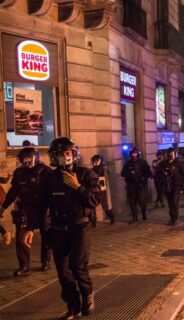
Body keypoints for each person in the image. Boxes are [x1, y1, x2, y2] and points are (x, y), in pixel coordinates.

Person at [25, 137, 100, 319]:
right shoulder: (50, 178)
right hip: (58, 228)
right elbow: (40, 204)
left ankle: (87, 294)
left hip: (80, 226)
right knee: (63, 271)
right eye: (57, 154)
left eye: (64, 153)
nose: (60, 158)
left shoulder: (86, 175)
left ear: (72, 154)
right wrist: (30, 227)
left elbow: (95, 200)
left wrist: (77, 187)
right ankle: (72, 306)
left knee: (77, 265)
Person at [0, 147, 51, 276]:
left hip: (42, 208)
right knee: (21, 237)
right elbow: (13, 191)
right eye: (24, 160)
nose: (26, 163)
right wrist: (4, 206)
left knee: (46, 235)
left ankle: (46, 261)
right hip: (24, 209)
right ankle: (24, 266)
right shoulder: (19, 172)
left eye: (29, 160)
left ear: (36, 158)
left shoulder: (45, 171)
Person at [121, 147, 153, 224]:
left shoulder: (143, 162)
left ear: (138, 155)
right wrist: (130, 175)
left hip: (141, 185)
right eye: (132, 155)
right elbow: (123, 173)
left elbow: (149, 173)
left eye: (135, 155)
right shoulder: (128, 163)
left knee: (141, 200)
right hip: (132, 185)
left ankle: (144, 212)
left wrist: (143, 178)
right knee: (132, 202)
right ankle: (134, 217)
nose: (134, 156)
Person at [156, 148, 184, 225]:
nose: (170, 155)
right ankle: (172, 218)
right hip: (168, 185)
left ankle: (174, 218)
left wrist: (183, 187)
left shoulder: (179, 163)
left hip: (177, 186)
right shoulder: (164, 163)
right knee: (170, 203)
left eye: (172, 153)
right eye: (169, 153)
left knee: (175, 202)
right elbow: (158, 173)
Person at [90, 155, 115, 226]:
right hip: (94, 190)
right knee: (92, 206)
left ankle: (112, 218)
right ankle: (93, 222)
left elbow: (103, 181)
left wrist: (99, 187)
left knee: (106, 206)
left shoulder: (103, 169)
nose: (95, 162)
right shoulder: (92, 170)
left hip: (102, 190)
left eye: (97, 160)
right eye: (94, 161)